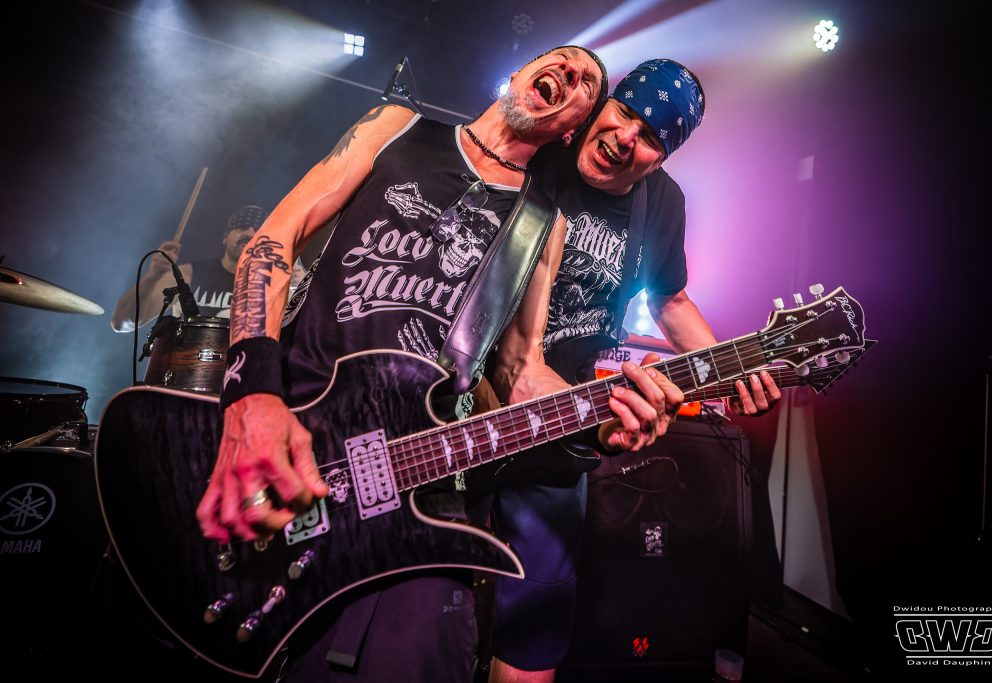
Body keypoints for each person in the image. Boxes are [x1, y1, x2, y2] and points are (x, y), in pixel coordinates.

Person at [194, 46, 683, 682]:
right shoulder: (396, 128)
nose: (569, 74)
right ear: (518, 73)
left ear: (572, 128)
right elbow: (274, 241)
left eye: (587, 83)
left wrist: (598, 420)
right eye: (561, 61)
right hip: (297, 431)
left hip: (413, 476)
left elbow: (519, 370)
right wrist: (253, 397)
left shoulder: (543, 222)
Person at [475, 59, 782, 683]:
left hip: (559, 428)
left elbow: (670, 299)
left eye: (649, 139)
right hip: (459, 399)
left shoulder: (662, 204)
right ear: (605, 102)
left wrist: (737, 369)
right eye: (624, 115)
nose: (625, 138)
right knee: (425, 605)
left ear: (662, 158)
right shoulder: (545, 144)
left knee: (534, 626)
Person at [110, 205, 306, 330]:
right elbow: (123, 322)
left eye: (258, 231)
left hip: (243, 376)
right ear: (225, 237)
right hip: (184, 376)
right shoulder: (187, 275)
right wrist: (152, 277)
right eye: (241, 227)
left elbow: (304, 335)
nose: (249, 233)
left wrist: (300, 285)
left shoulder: (273, 287)